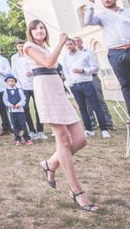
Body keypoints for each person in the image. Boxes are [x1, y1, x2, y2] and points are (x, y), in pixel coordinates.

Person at [24, 20, 97, 212]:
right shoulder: (28, 46)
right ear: (30, 32)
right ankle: (76, 191)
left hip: (58, 90)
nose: (39, 30)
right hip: (45, 91)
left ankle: (50, 164)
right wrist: (61, 43)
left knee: (81, 139)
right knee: (63, 141)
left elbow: (56, 67)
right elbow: (48, 63)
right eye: (35, 28)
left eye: (42, 27)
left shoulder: (47, 47)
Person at [61, 39, 111, 139]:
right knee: (83, 108)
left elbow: (95, 67)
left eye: (71, 44)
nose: (69, 46)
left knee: (96, 107)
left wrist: (83, 70)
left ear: (75, 44)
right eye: (67, 45)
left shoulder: (85, 54)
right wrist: (70, 83)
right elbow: (65, 70)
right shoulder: (65, 57)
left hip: (87, 83)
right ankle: (89, 129)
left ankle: (104, 129)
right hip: (75, 85)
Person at [73, 37, 115, 131]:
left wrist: (83, 71)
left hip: (93, 78)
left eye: (78, 41)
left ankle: (108, 122)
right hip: (82, 81)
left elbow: (95, 67)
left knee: (100, 101)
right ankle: (92, 123)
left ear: (81, 42)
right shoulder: (72, 56)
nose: (76, 43)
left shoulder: (89, 52)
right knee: (87, 103)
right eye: (74, 42)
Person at [12, 40, 47, 141]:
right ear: (16, 47)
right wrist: (18, 85)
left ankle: (40, 131)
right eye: (19, 46)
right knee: (25, 108)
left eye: (22, 46)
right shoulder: (14, 58)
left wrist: (32, 71)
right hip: (23, 87)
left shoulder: (31, 54)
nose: (21, 48)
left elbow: (38, 65)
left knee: (38, 108)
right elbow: (14, 72)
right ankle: (31, 131)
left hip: (35, 84)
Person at [2, 74, 32, 146]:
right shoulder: (6, 91)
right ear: (6, 82)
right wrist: (10, 105)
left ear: (15, 82)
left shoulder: (19, 90)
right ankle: (17, 140)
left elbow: (23, 99)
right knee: (15, 126)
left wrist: (19, 104)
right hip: (12, 111)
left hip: (20, 111)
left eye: (12, 81)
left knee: (23, 125)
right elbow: (5, 101)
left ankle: (27, 139)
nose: (10, 83)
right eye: (9, 81)